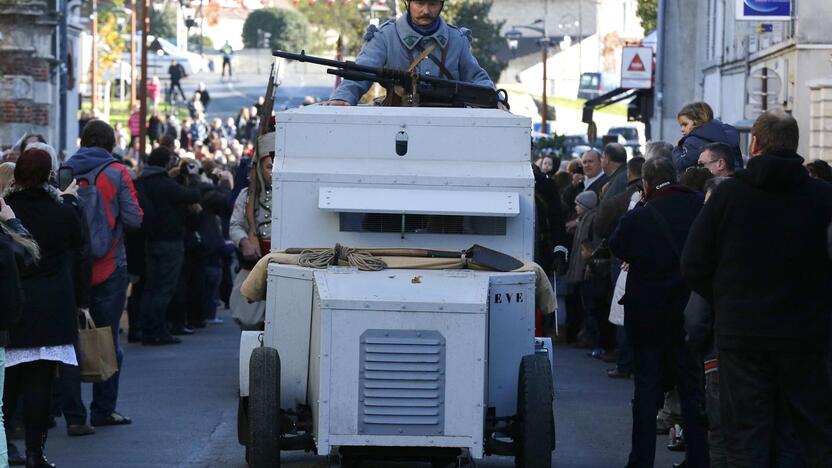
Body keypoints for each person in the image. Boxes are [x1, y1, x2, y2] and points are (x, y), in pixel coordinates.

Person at [681, 111, 832, 466]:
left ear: (754, 143)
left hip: (743, 334)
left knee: (747, 434)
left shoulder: (728, 196)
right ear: (794, 144)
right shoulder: (823, 197)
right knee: (800, 432)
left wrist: (727, 297)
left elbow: (693, 264)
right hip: (805, 334)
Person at [609, 156, 708, 468]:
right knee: (692, 390)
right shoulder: (699, 208)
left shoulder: (640, 216)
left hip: (649, 314)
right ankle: (699, 457)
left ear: (646, 184)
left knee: (647, 390)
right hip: (689, 312)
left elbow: (618, 246)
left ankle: (641, 460)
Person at [4, 148, 88, 468]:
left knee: (8, 384)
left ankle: (4, 445)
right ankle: (35, 454)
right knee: (40, 384)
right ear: (50, 174)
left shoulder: (7, 209)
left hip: (14, 304)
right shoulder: (63, 211)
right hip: (52, 305)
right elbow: (78, 247)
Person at [64, 119, 143, 428]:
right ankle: (103, 408)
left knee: (67, 339)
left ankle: (70, 412)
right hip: (110, 263)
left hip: (72, 267)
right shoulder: (117, 172)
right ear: (111, 142)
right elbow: (134, 218)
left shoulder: (64, 170)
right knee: (107, 339)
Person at [325, 0, 505, 109]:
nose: (425, 10)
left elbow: (476, 77)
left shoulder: (457, 39)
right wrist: (343, 97)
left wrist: (494, 99)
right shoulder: (385, 36)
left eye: (432, 3)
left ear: (441, 4)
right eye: (419, 3)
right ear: (408, 3)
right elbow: (361, 73)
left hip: (448, 125)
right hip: (396, 124)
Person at [136, 147, 201, 345]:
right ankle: (158, 329)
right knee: (164, 288)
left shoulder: (142, 182)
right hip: (169, 241)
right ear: (166, 163)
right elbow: (192, 196)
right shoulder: (164, 184)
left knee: (150, 287)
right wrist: (194, 179)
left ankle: (146, 329)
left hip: (150, 240)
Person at [229, 152, 273, 330]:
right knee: (250, 323)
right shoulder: (246, 195)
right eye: (269, 167)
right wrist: (244, 242)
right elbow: (235, 225)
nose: (273, 172)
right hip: (254, 266)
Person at [672, 102, 741, 172]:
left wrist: (677, 149)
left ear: (698, 121)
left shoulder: (692, 141)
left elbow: (682, 164)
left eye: (685, 124)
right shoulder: (726, 135)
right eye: (681, 126)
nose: (682, 129)